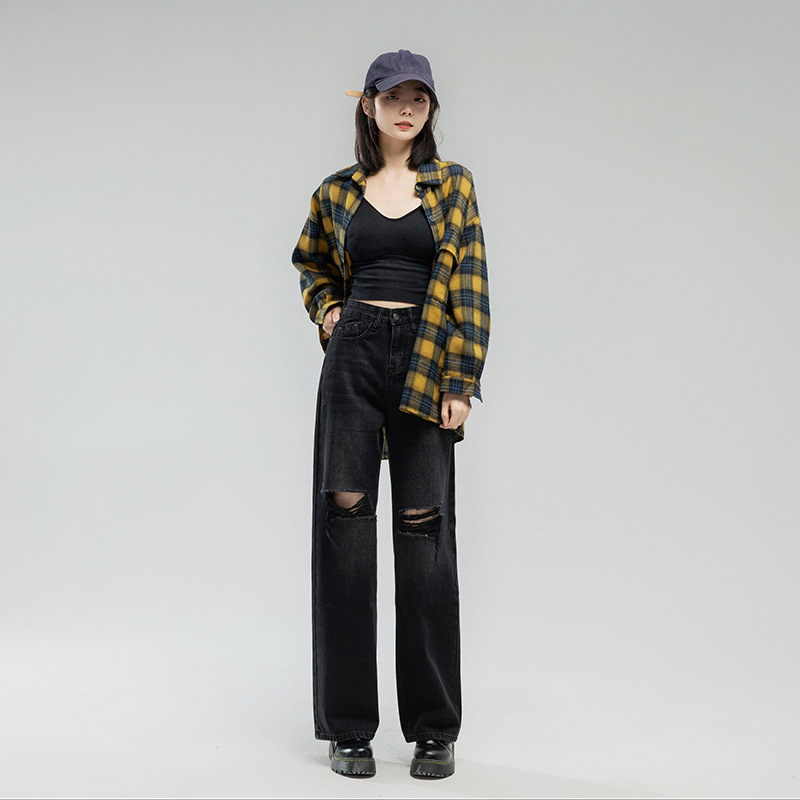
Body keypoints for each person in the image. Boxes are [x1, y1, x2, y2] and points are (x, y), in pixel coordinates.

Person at [292, 49, 489, 780]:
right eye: (392, 97)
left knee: (424, 531)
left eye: (419, 98)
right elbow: (311, 262)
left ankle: (434, 728)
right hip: (354, 354)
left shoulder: (453, 184)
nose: (406, 109)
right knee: (343, 526)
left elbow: (470, 282)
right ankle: (348, 728)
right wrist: (328, 310)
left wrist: (460, 379)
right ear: (368, 105)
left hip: (428, 354)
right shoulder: (337, 191)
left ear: (431, 109)